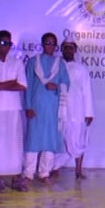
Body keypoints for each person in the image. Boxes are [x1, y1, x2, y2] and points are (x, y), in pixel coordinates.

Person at [0, 30, 28, 192]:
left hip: (13, 107)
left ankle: (16, 178)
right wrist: (11, 82)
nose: (6, 46)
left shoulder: (17, 63)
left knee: (14, 144)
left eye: (9, 43)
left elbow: (22, 85)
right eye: (3, 43)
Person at [23, 32, 70, 183]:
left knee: (50, 140)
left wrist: (56, 86)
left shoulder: (60, 64)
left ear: (56, 46)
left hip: (53, 108)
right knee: (33, 140)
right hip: (36, 107)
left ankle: (44, 173)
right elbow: (27, 85)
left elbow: (66, 84)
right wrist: (28, 106)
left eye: (53, 44)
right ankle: (28, 173)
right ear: (42, 44)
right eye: (47, 43)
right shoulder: (33, 62)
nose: (50, 46)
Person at [53, 39, 94, 179]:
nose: (68, 50)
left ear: (75, 50)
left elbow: (87, 91)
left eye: (71, 48)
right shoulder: (56, 66)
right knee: (59, 141)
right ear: (62, 50)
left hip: (77, 110)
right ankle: (55, 167)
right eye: (66, 48)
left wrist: (89, 112)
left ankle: (78, 170)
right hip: (59, 110)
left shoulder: (81, 69)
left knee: (78, 140)